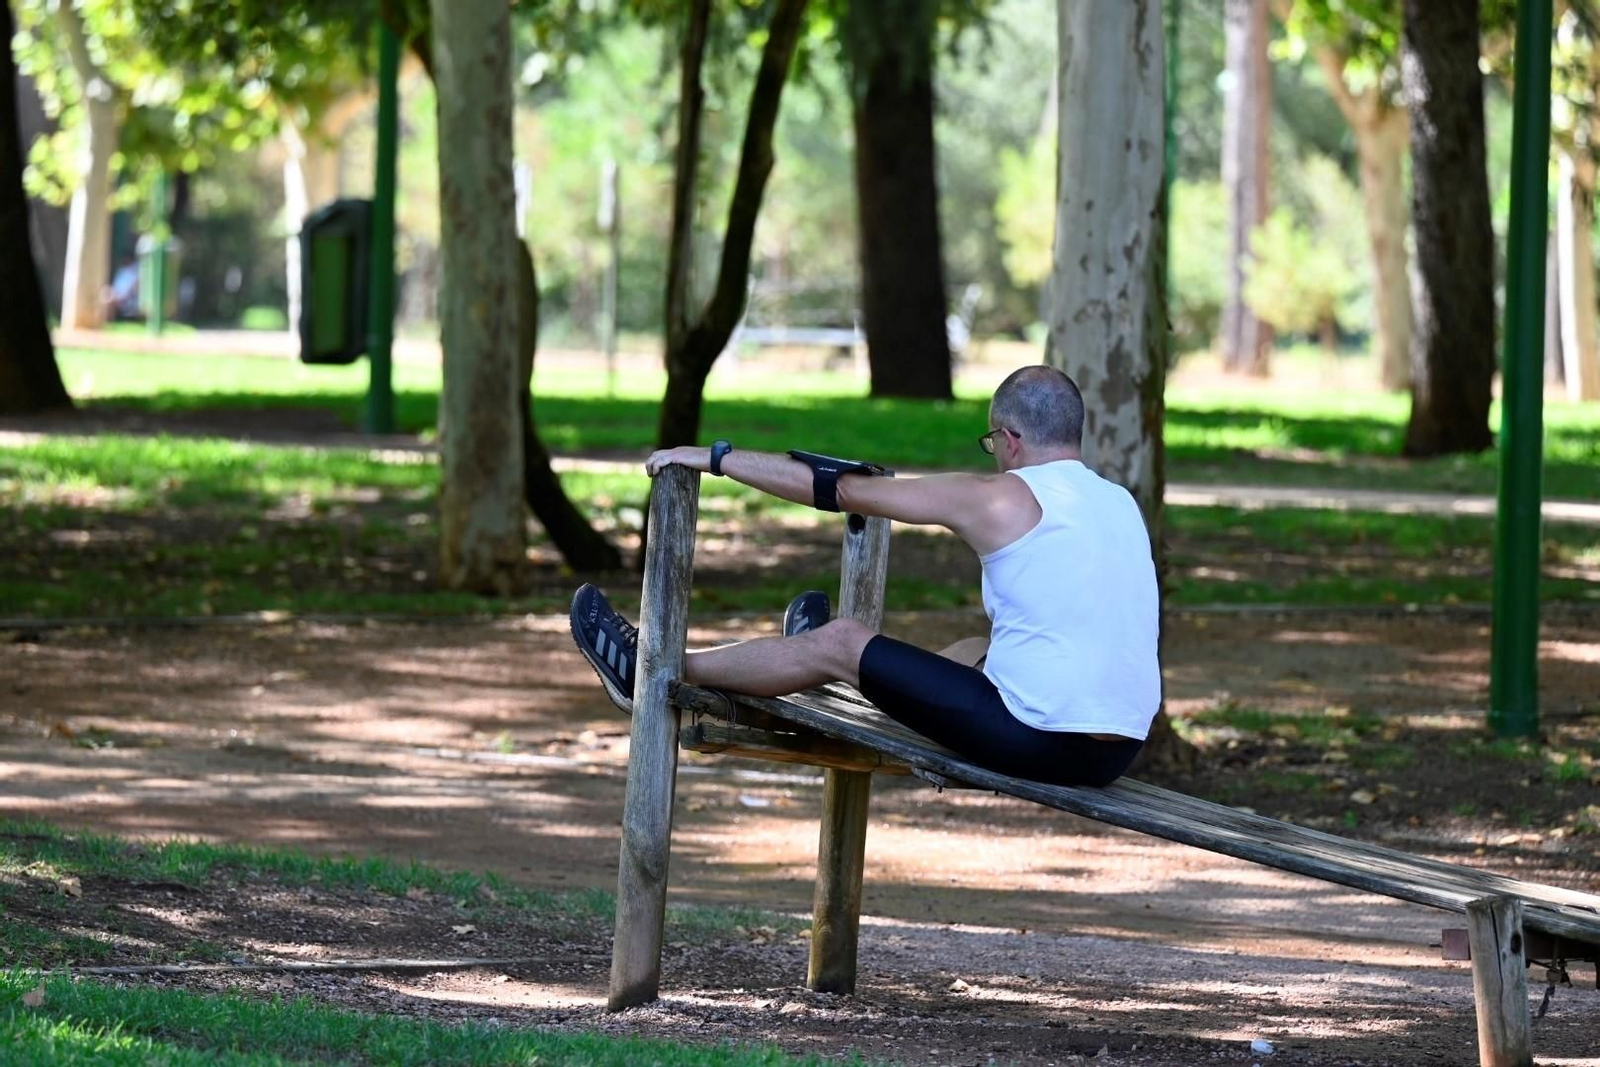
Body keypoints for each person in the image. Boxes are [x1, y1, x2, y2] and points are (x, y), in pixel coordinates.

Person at [570, 365, 1160, 788]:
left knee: (842, 640)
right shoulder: (1118, 503)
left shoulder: (1000, 495)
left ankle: (654, 667)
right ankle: (821, 668)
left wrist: (714, 458)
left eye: (991, 443)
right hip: (1115, 754)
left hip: (1041, 741)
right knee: (978, 649)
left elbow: (838, 488)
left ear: (1009, 439)